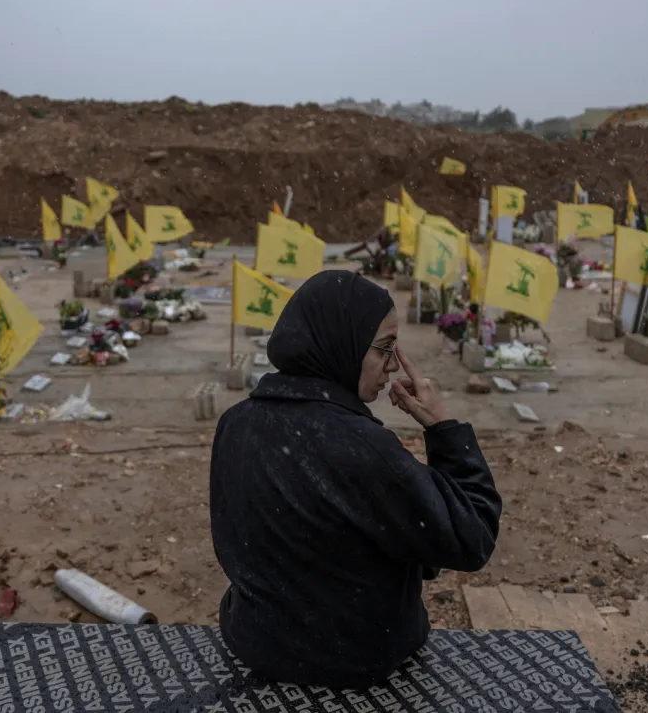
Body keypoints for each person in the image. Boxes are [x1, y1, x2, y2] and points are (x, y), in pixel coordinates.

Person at [209, 270, 501, 689]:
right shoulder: (360, 447)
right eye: (383, 348)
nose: (393, 365)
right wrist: (444, 428)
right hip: (349, 660)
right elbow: (472, 535)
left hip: (256, 642)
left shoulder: (235, 422)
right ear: (340, 343)